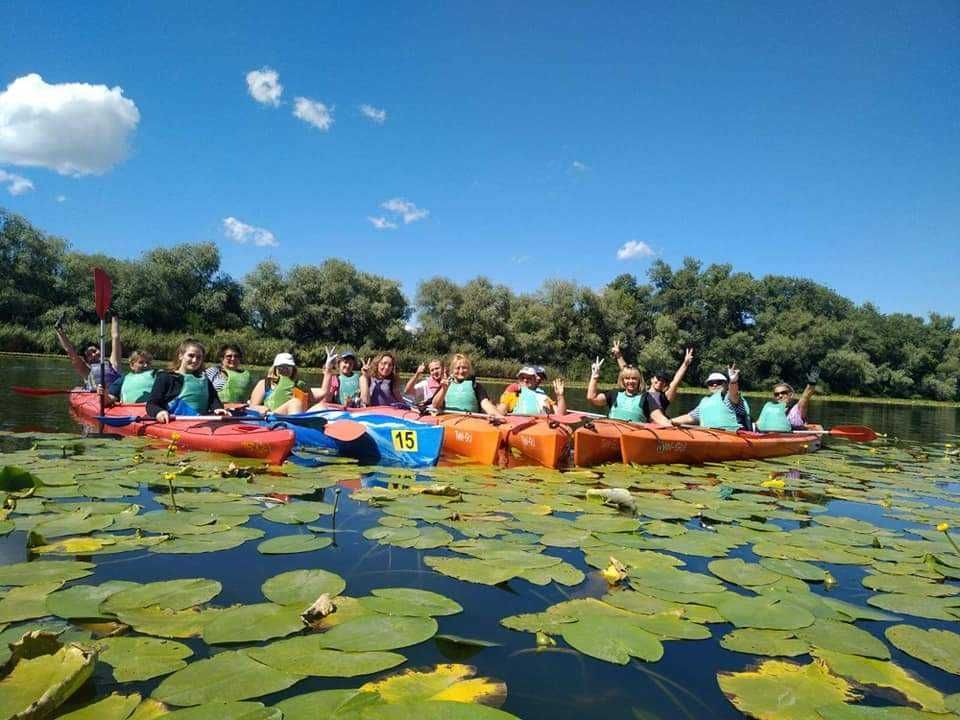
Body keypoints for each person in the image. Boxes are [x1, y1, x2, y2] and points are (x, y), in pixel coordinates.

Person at [146, 339, 229, 423]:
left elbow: (213, 399)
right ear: (180, 356)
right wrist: (159, 412)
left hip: (202, 422)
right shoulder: (166, 377)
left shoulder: (204, 379)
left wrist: (218, 408)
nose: (195, 360)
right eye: (191, 355)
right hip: (175, 423)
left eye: (199, 357)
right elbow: (152, 404)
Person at [585, 358, 670, 425]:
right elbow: (592, 398)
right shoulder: (614, 394)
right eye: (627, 378)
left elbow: (659, 418)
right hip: (612, 434)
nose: (630, 381)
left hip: (632, 439)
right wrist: (594, 377)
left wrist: (670, 424)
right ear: (623, 380)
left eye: (634, 378)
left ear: (639, 380)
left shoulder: (646, 398)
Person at [670, 364, 751, 431]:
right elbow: (690, 417)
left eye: (719, 382)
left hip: (734, 437)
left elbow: (733, 394)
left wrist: (733, 381)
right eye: (711, 383)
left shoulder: (729, 398)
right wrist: (668, 422)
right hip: (709, 436)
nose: (714, 385)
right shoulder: (705, 402)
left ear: (726, 384)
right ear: (708, 386)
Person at [55, 315, 122, 390]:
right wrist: (59, 331)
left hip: (114, 397)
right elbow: (70, 351)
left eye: (94, 351)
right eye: (89, 355)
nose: (93, 355)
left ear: (100, 350)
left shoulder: (113, 364)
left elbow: (115, 337)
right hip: (95, 398)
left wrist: (114, 316)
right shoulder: (86, 370)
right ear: (86, 359)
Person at [431, 353, 502, 415]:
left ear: (469, 370)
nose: (461, 371)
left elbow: (485, 404)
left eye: (464, 368)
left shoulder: (476, 386)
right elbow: (435, 405)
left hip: (471, 422)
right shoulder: (445, 385)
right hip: (449, 421)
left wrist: (498, 416)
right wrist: (444, 390)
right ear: (452, 370)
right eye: (457, 368)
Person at [756, 369, 820, 432]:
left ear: (791, 395)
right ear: (774, 397)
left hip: (795, 437)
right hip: (773, 437)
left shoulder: (798, 408)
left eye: (784, 393)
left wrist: (812, 382)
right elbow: (758, 424)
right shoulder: (770, 409)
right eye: (777, 394)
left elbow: (806, 396)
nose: (780, 396)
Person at [497, 366, 567, 416]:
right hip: (520, 427)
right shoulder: (513, 392)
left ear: (535, 379)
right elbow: (501, 411)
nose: (525, 380)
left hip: (542, 427)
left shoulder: (543, 395)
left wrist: (560, 396)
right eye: (522, 377)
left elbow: (560, 415)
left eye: (529, 378)